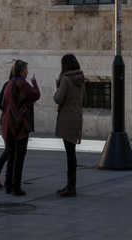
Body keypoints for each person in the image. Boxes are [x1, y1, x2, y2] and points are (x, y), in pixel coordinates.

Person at [0, 59, 40, 197]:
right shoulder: (23, 83)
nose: (27, 72)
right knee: (19, 157)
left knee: (11, 155)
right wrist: (35, 84)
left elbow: (3, 102)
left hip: (8, 123)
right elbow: (35, 95)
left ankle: (8, 185)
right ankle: (16, 187)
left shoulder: (9, 84)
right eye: (26, 69)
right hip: (21, 124)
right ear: (22, 70)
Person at [53, 54, 85, 197]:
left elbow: (58, 99)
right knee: (71, 153)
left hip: (67, 118)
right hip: (77, 117)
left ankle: (70, 187)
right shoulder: (80, 79)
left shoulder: (65, 80)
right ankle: (71, 185)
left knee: (70, 154)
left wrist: (57, 87)